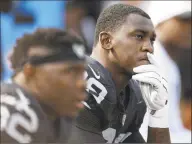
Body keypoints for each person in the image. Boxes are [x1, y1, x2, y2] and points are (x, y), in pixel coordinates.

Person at [69, 4, 170, 143]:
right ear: (106, 40)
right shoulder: (83, 81)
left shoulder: (133, 95)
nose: (149, 47)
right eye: (139, 36)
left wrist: (158, 114)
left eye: (151, 40)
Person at [0, 28, 87, 143]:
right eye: (70, 71)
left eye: (82, 73)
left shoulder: (57, 110)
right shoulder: (12, 114)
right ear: (30, 71)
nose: (83, 83)